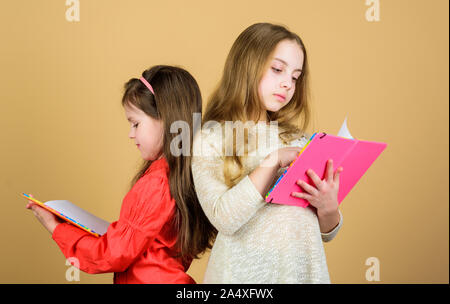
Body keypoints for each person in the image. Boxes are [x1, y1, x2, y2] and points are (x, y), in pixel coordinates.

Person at [26, 65, 216, 284]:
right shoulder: (184, 177)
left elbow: (112, 255)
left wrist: (55, 227)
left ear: (167, 119)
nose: (130, 134)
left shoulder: (156, 183)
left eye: (135, 124)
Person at [192, 23, 344, 283]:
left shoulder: (297, 140)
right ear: (246, 66)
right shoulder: (212, 138)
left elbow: (325, 231)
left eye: (295, 77)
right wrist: (272, 162)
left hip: (301, 275)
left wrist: (328, 206)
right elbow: (224, 219)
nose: (287, 83)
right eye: (277, 69)